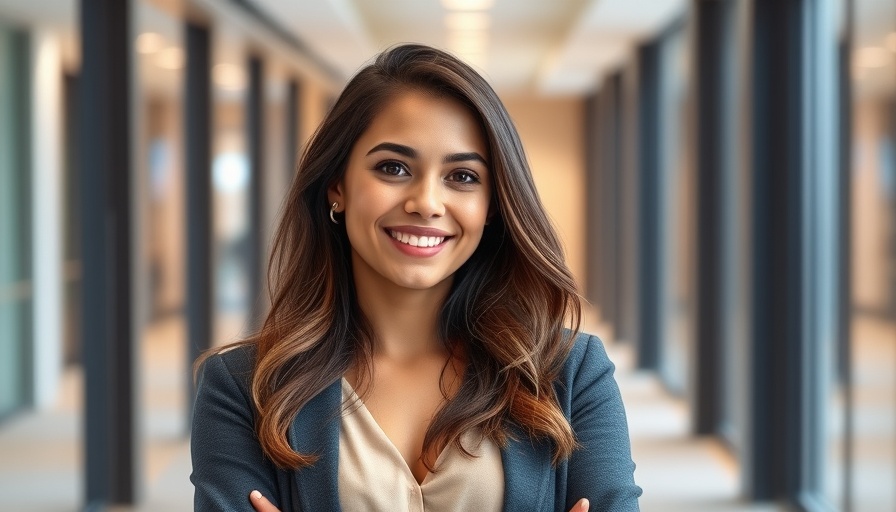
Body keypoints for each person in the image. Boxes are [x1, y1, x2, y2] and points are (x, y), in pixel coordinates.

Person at [190, 43, 641, 512]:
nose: (426, 202)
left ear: (493, 206)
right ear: (337, 186)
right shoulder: (243, 386)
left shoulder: (570, 372)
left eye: (463, 176)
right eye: (393, 167)